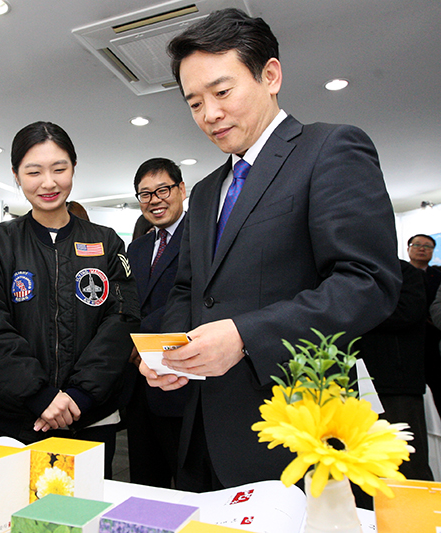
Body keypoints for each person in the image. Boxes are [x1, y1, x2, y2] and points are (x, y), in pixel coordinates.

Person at [141, 8, 402, 492]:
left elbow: (366, 283)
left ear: (270, 75)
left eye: (222, 92)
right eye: (194, 103)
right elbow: (189, 289)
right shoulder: (202, 192)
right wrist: (167, 352)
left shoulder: (329, 149)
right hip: (202, 434)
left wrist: (245, 335)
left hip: (294, 436)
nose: (210, 115)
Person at [0, 121, 140, 477]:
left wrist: (80, 395)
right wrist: (40, 395)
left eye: (60, 169)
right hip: (11, 421)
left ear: (74, 168)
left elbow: (121, 321)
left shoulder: (106, 242)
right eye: (34, 171)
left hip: (90, 418)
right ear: (16, 175)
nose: (48, 182)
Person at [125, 158, 189, 488]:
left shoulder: (204, 238)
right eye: (145, 194)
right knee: (146, 482)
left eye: (163, 189)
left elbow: (195, 297)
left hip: (182, 378)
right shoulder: (136, 249)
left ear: (181, 189)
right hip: (139, 386)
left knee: (191, 480)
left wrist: (142, 335)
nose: (154, 199)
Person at [357, 260, 434, 482]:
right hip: (357, 381)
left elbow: (407, 312)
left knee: (407, 460)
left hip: (398, 381)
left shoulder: (403, 271)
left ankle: (419, 516)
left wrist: (354, 312)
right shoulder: (346, 270)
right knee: (363, 463)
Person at [408, 234, 441, 417]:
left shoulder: (438, 276)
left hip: (434, 336)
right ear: (409, 249)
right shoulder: (399, 274)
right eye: (417, 245)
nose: (422, 249)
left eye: (427, 246)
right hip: (410, 336)